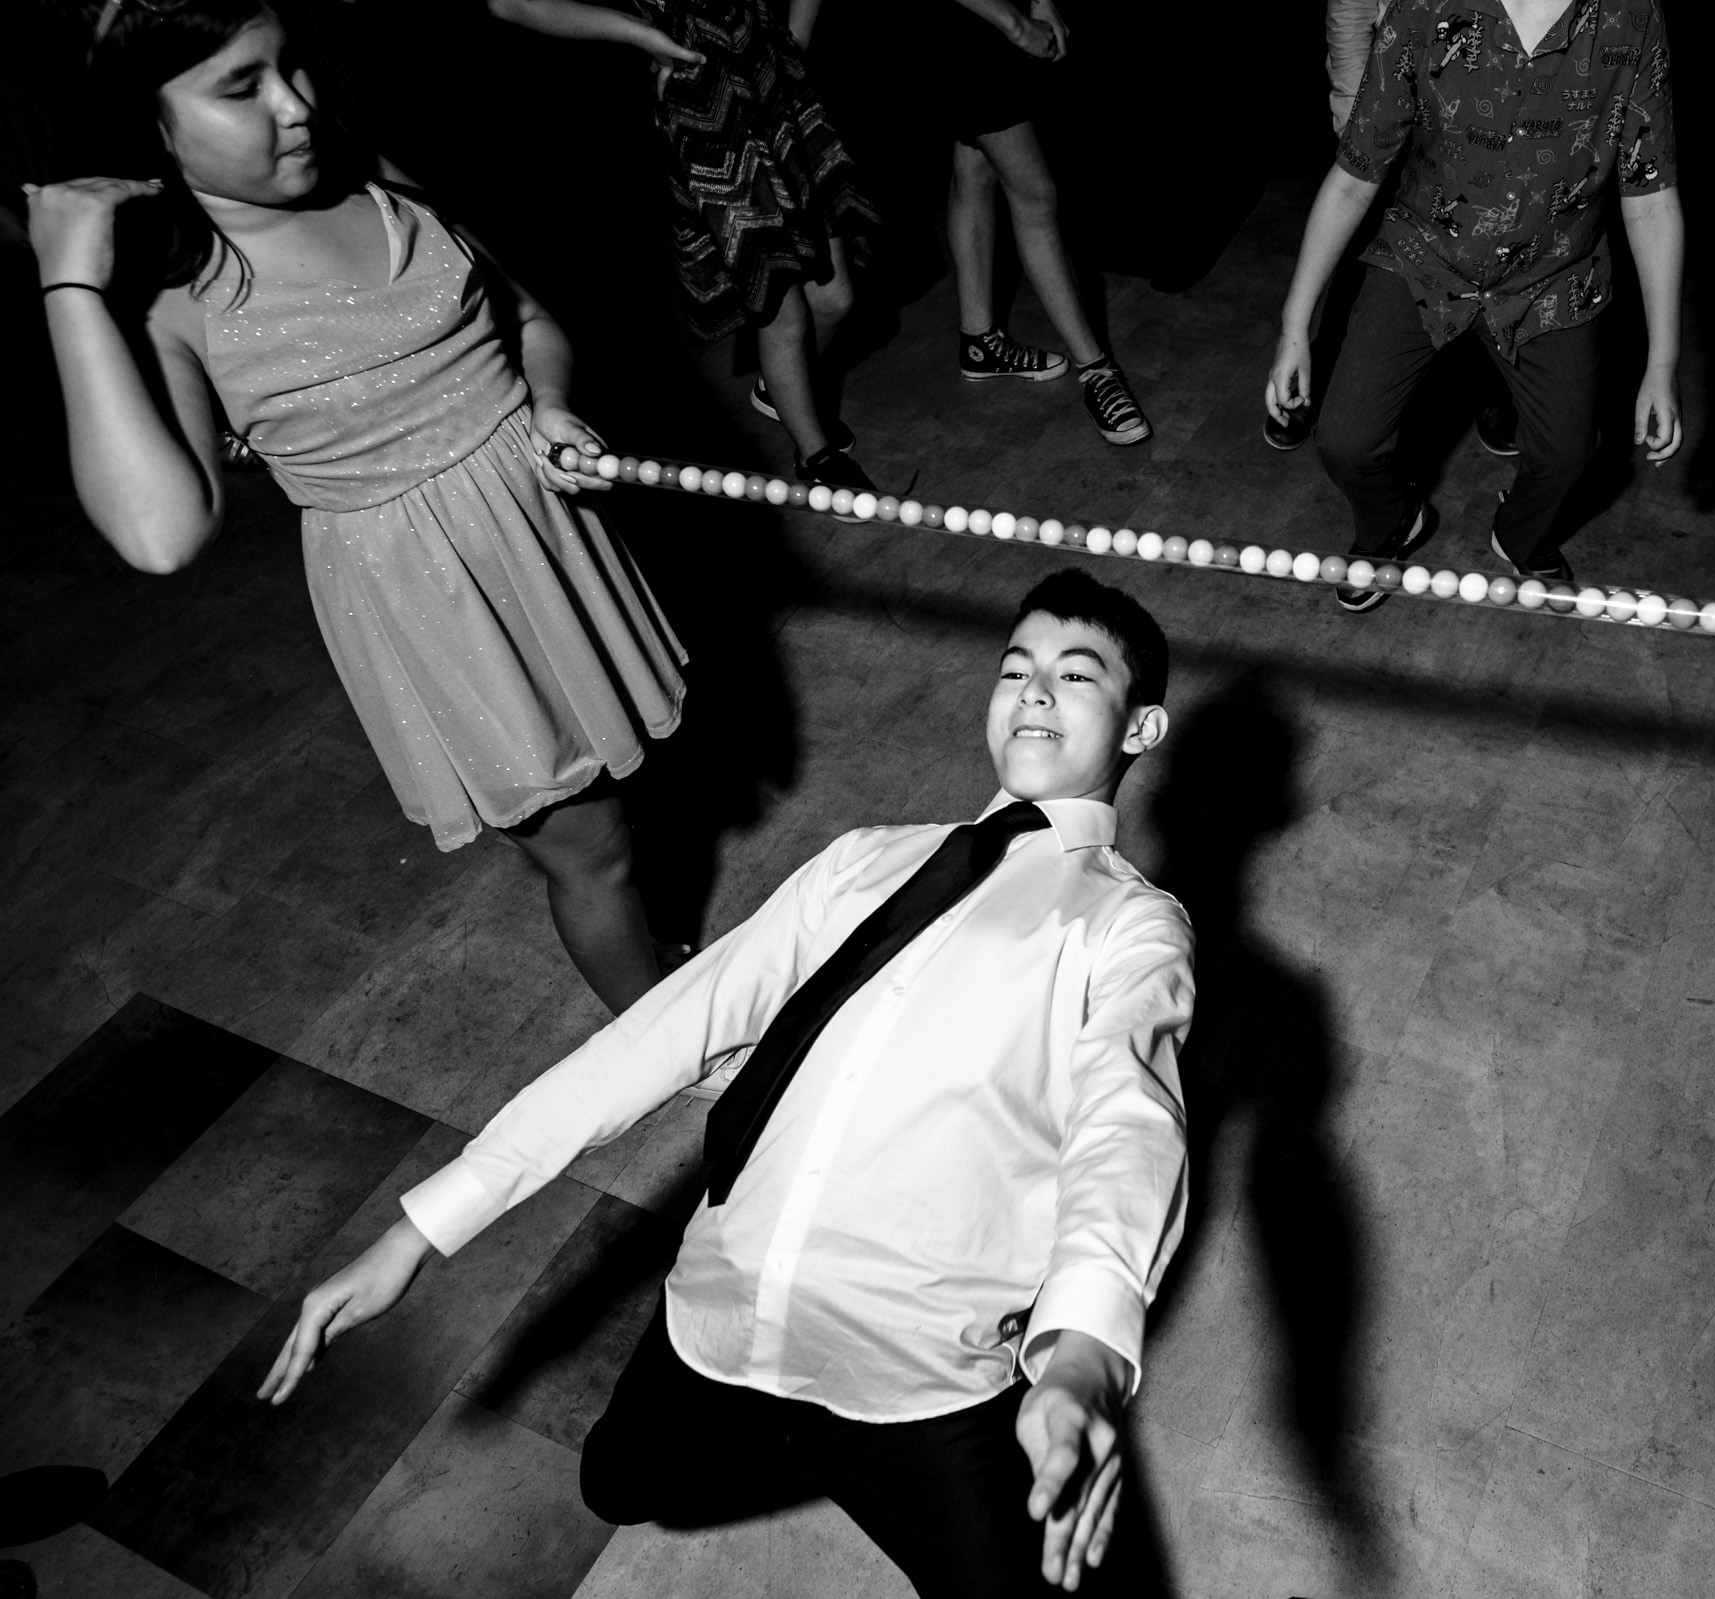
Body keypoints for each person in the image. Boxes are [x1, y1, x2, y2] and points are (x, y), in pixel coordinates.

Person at [260, 570, 1193, 1598]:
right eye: (1015, 668)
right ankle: (778, 1446)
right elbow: (659, 1036)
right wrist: (420, 1230)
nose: (1033, 692)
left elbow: (1129, 1128)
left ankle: (860, 1467)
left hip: (921, 1387)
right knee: (617, 1486)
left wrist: (1081, 1360)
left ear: (1142, 727)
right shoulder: (862, 865)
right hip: (720, 1318)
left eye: (1075, 674)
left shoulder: (1130, 928)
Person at [28, 0, 685, 1014]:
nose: (297, 105)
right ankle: (672, 1043)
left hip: (548, 533)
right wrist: (69, 282)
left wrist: (550, 403)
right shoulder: (174, 302)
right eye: (241, 88)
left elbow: (525, 315)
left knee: (624, 820)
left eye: (290, 67)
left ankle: (651, 955)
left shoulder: (372, 172)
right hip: (435, 596)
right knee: (590, 851)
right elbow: (159, 536)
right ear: (150, 129)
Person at [1265, 0, 1685, 613]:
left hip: (1555, 280)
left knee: (1569, 455)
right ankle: (1389, 522)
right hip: (1422, 256)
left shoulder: (1634, 19)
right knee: (1344, 441)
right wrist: (1295, 327)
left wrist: (1662, 364)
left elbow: (1651, 199)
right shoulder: (1422, 7)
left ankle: (1520, 534)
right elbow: (1354, 176)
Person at [486, 0, 880, 493]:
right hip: (704, 102)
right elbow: (511, 3)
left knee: (836, 299)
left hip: (776, 79)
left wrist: (794, 36)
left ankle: (779, 389)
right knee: (781, 298)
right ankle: (814, 453)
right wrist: (641, 34)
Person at [1263, 0, 1520, 463]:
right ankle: (1316, 380)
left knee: (1495, 245)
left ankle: (1493, 384)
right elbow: (1351, 11)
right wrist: (1353, 110)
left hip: (1488, 112)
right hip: (1390, 98)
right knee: (1362, 259)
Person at [923, 0, 1151, 447]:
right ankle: (1096, 370)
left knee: (974, 165)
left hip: (985, 18)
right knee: (1036, 195)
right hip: (962, 24)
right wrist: (1013, 23)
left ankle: (979, 342)